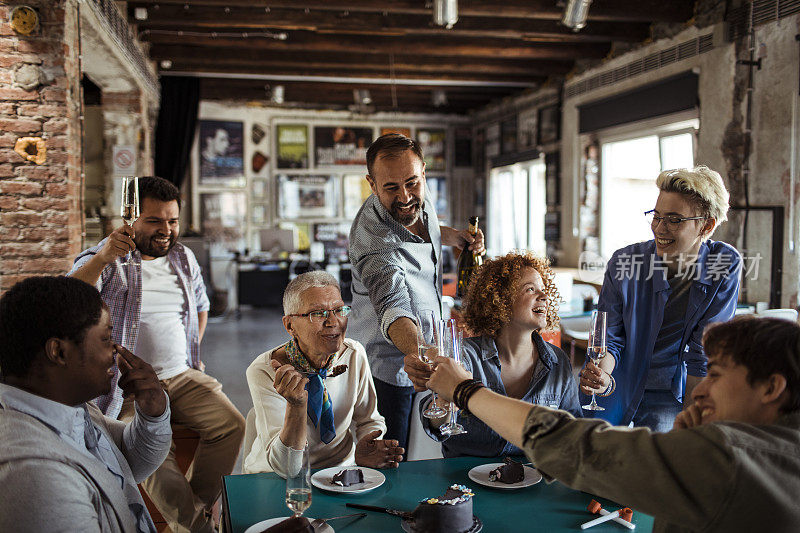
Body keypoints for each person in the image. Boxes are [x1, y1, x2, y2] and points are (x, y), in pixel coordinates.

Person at [427, 315, 800, 532]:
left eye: (716, 374)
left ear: (771, 387)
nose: (700, 392)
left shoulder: (730, 457)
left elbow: (581, 447)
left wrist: (465, 391)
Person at [69, 176, 245, 533]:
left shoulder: (182, 257)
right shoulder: (108, 257)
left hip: (182, 374)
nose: (166, 229)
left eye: (172, 220)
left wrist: (191, 352)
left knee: (232, 425)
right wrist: (103, 258)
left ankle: (190, 520)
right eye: (154, 220)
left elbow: (201, 306)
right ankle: (199, 527)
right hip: (128, 386)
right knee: (151, 449)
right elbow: (69, 296)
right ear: (132, 221)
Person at [0, 276, 172, 532]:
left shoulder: (69, 405)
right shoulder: (38, 476)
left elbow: (127, 465)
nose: (115, 351)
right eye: (105, 339)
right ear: (59, 352)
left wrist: (152, 411)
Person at [348, 133, 485, 451]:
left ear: (423, 171)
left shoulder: (416, 197)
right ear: (372, 183)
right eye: (391, 187)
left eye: (412, 182)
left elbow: (426, 228)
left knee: (429, 443)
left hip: (427, 349)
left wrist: (457, 237)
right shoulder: (374, 242)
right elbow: (393, 305)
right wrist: (420, 351)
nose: (405, 196)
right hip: (389, 368)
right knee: (392, 457)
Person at [580, 166, 741, 431]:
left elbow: (702, 353)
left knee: (665, 461)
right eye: (656, 216)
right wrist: (602, 374)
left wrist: (692, 427)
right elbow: (609, 338)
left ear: (707, 225)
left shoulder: (723, 264)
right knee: (602, 457)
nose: (659, 228)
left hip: (672, 391)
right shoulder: (625, 262)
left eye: (674, 219)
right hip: (617, 383)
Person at [405, 252, 582, 457]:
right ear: (501, 301)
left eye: (544, 290)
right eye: (530, 289)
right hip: (465, 481)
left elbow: (572, 429)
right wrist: (445, 400)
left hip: (533, 480)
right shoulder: (464, 355)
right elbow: (434, 424)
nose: (543, 296)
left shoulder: (557, 361)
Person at [244, 271, 404, 476]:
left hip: (338, 473)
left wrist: (369, 442)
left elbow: (370, 420)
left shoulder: (354, 355)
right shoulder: (266, 370)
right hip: (273, 477)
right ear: (290, 325)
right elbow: (287, 468)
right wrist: (296, 406)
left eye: (339, 310)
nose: (333, 321)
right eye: (318, 313)